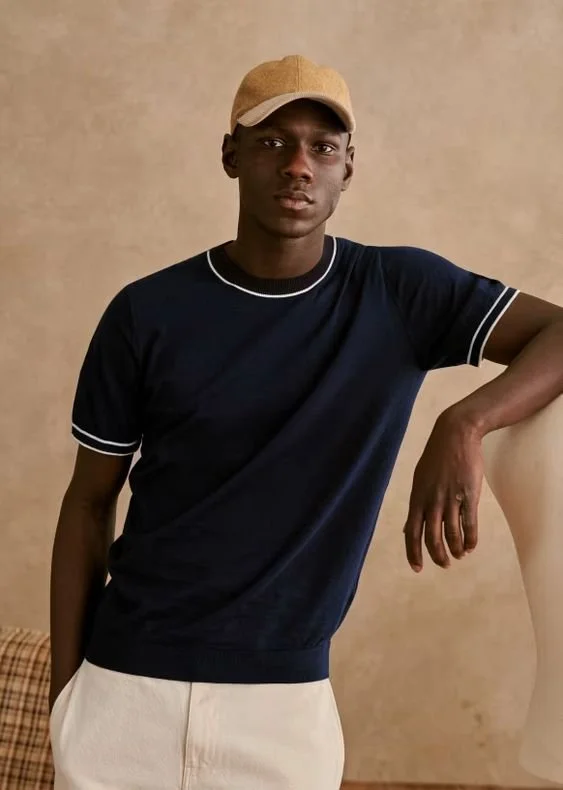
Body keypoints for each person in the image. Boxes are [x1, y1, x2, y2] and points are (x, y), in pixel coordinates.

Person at [48, 54, 563, 790]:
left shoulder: (398, 293)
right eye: (271, 141)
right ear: (230, 154)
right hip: (123, 694)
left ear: (347, 168)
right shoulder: (147, 312)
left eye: (322, 147)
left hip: (282, 712)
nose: (297, 164)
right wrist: (68, 697)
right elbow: (88, 502)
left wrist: (465, 420)